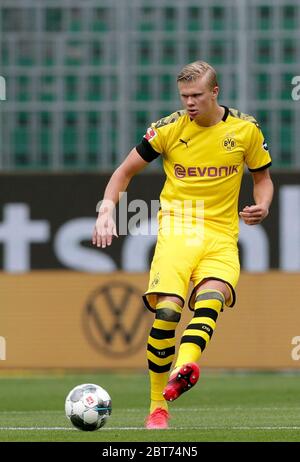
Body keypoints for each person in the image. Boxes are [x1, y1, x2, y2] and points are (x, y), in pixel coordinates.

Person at [92, 61, 274, 429]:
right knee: (169, 314)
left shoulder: (245, 130)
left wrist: (263, 206)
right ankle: (158, 407)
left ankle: (185, 366)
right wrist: (106, 210)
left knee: (212, 300)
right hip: (177, 232)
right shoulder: (167, 130)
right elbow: (123, 172)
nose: (189, 103)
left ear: (215, 92)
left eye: (196, 96)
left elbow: (263, 178)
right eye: (184, 96)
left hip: (222, 237)